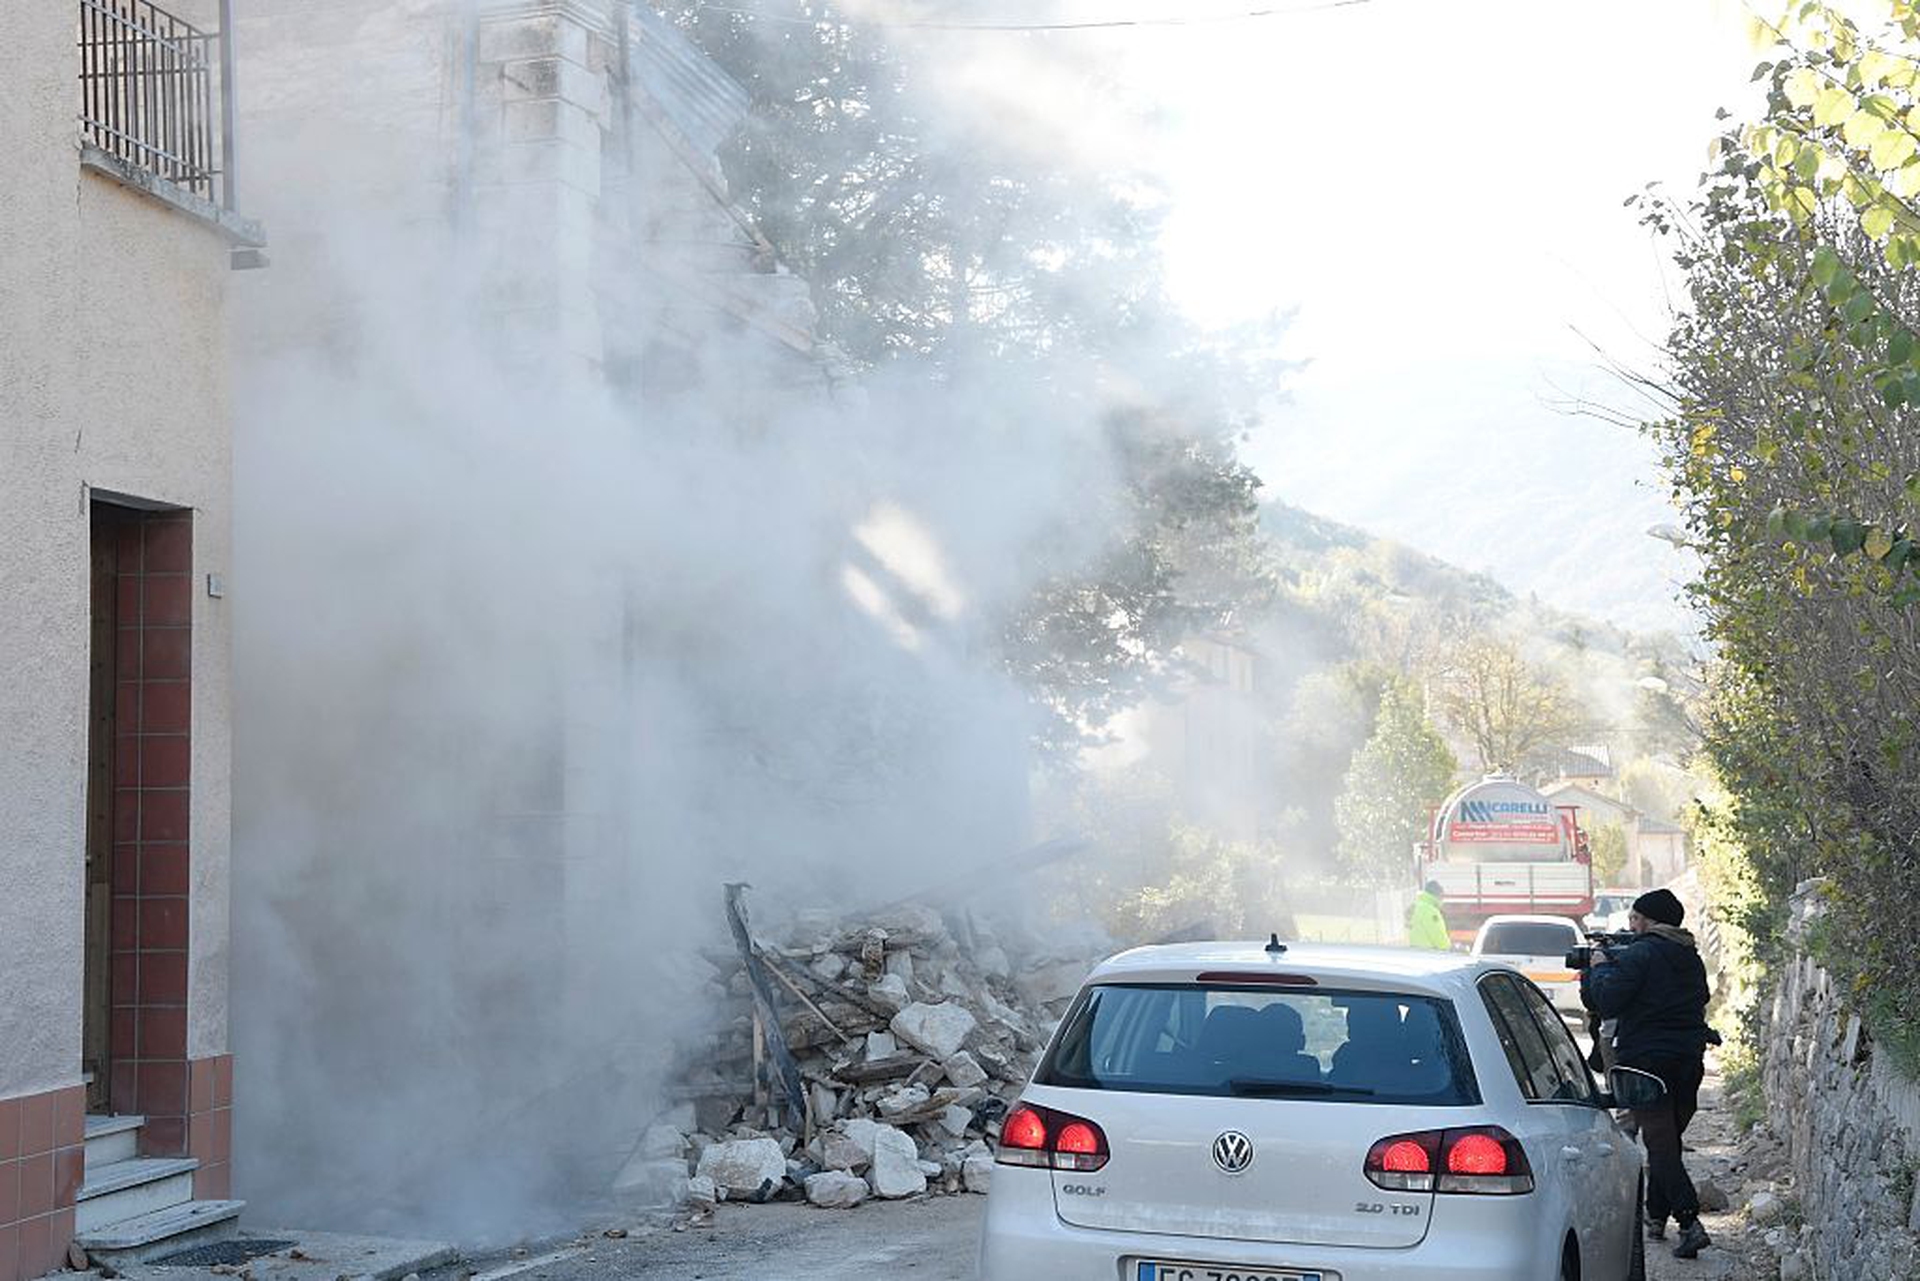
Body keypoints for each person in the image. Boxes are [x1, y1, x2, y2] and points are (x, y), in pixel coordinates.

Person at [1579, 888, 1717, 1259]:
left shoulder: (1640, 954)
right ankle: (1656, 1216)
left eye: (1636, 918)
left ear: (1651, 921)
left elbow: (1607, 1001)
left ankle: (1689, 1222)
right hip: (1688, 1059)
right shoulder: (1690, 955)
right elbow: (1701, 998)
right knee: (1666, 1142)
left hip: (1646, 1061)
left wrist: (1598, 968)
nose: (1632, 925)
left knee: (1660, 1144)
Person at [1407, 880, 1451, 950]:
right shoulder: (1431, 911)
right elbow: (1438, 935)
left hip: (1411, 951)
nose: (1442, 899)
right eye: (1442, 896)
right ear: (1437, 895)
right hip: (1427, 952)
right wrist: (1447, 948)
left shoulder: (1413, 906)